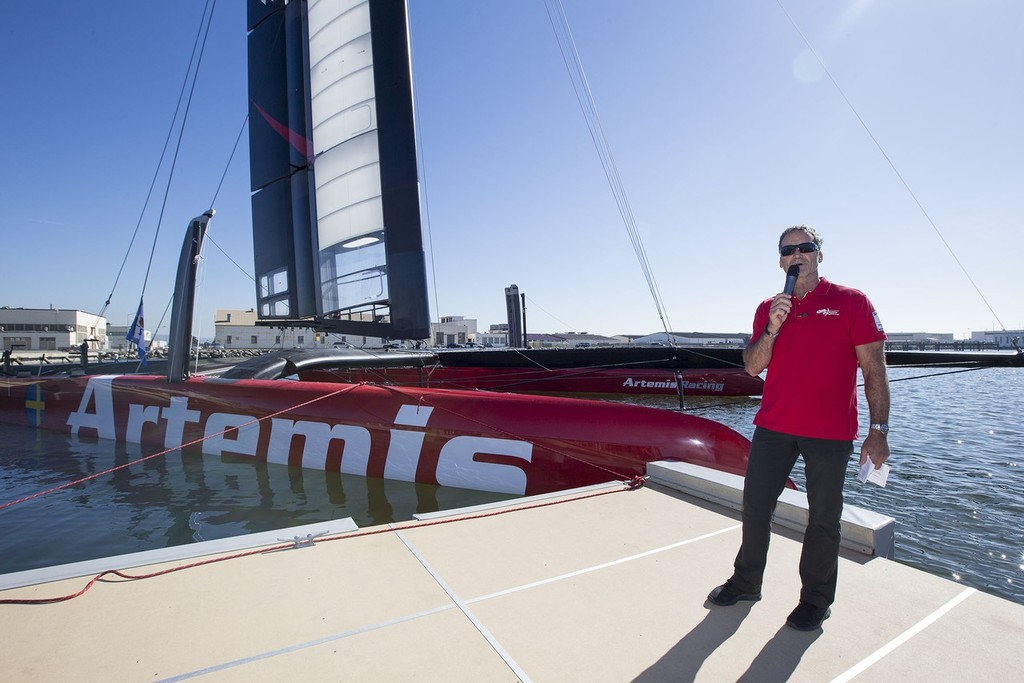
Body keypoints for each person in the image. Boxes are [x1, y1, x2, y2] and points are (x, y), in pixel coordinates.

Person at [708, 225, 891, 631]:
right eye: (788, 250)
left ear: (819, 255)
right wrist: (773, 327)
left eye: (805, 247)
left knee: (824, 517)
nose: (797, 254)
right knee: (755, 507)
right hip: (774, 426)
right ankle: (746, 581)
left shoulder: (851, 302)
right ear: (780, 261)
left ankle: (815, 600)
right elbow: (753, 366)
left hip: (829, 432)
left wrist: (878, 430)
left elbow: (874, 370)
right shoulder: (768, 308)